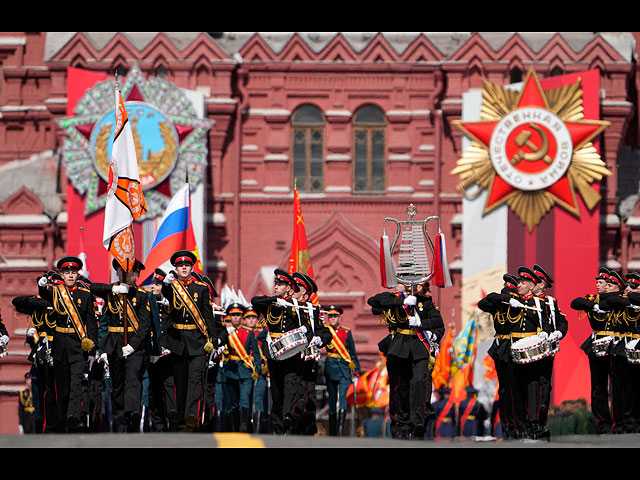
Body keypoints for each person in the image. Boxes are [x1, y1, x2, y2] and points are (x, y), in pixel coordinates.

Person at [367, 280, 444, 440]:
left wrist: (421, 324)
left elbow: (438, 322)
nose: (399, 285)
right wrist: (402, 300)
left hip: (418, 348)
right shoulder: (392, 300)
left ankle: (417, 422)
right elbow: (373, 301)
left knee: (418, 384)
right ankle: (401, 424)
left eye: (403, 283)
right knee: (399, 388)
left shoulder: (425, 302)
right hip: (399, 348)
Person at [161, 250, 225, 432]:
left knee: (194, 380)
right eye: (181, 265)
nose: (184, 268)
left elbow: (207, 317)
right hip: (177, 340)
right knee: (178, 380)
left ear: (191, 268)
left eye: (187, 265)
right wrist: (165, 285)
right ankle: (176, 415)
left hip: (197, 341)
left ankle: (191, 416)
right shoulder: (172, 287)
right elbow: (167, 296)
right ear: (176, 268)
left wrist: (213, 340)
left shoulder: (201, 289)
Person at [89, 258, 151, 432]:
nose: (130, 276)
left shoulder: (141, 296)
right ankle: (120, 418)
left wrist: (133, 345)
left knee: (132, 378)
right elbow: (91, 288)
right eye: (124, 272)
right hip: (114, 344)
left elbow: (145, 325)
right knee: (116, 384)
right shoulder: (111, 293)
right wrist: (113, 288)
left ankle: (133, 413)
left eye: (133, 273)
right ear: (117, 273)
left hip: (134, 345)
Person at [37, 256, 98, 433]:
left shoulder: (85, 294)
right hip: (60, 345)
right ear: (61, 275)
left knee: (76, 383)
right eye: (67, 273)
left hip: (78, 345)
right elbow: (44, 295)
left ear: (78, 274)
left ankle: (73, 417)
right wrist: (41, 285)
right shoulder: (56, 292)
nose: (70, 276)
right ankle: (63, 420)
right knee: (62, 388)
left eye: (73, 272)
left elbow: (91, 322)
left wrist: (92, 346)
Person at [252, 268, 312, 434]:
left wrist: (305, 332)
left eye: (281, 284)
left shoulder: (297, 307)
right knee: (277, 391)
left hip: (291, 352)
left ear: (289, 288)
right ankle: (278, 426)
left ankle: (288, 417)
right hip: (273, 352)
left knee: (290, 385)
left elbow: (308, 327)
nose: (276, 286)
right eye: (276, 283)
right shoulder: (270, 304)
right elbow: (254, 300)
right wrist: (275, 300)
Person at [506, 266, 551, 440]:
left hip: (532, 352)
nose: (520, 284)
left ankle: (533, 424)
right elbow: (487, 301)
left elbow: (545, 322)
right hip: (514, 351)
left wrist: (545, 332)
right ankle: (521, 425)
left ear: (532, 286)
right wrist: (507, 299)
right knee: (516, 389)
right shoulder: (511, 299)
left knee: (533, 387)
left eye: (524, 282)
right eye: (519, 282)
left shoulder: (539, 303)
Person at [571, 267, 615, 434]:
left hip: (614, 344)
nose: (597, 285)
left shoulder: (618, 300)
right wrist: (594, 305)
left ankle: (619, 422)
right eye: (597, 282)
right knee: (598, 387)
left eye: (601, 282)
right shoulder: (592, 299)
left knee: (617, 387)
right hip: (597, 344)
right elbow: (575, 302)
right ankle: (602, 423)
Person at [479, 273, 521, 439]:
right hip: (500, 348)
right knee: (504, 389)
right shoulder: (500, 303)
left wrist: (510, 300)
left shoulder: (519, 303)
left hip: (514, 346)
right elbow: (485, 301)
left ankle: (516, 424)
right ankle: (507, 425)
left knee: (515, 389)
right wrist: (504, 299)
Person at [12, 280, 57, 433]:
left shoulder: (59, 305)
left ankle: (52, 423)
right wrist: (33, 300)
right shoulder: (37, 307)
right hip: (39, 356)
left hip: (55, 352)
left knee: (53, 391)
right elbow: (16, 302)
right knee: (38, 389)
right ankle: (40, 421)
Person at [291, 272, 331, 435]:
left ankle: (307, 426)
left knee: (309, 393)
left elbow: (325, 332)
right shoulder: (286, 308)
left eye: (297, 288)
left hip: (308, 360)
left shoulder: (311, 311)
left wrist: (319, 339)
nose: (292, 290)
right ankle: (291, 425)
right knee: (293, 393)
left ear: (305, 294)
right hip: (291, 359)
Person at [532, 263, 568, 440]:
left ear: (542, 285)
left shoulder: (550, 303)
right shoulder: (525, 301)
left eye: (537, 282)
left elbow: (561, 321)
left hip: (546, 350)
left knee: (544, 385)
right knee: (528, 386)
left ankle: (541, 421)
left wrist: (558, 332)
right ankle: (529, 423)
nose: (533, 284)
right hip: (527, 350)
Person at [599, 269, 634, 433]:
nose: (629, 289)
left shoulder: (628, 299)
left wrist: (626, 297)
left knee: (632, 388)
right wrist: (625, 298)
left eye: (633, 287)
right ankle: (619, 423)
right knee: (617, 387)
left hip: (634, 347)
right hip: (619, 347)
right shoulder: (616, 299)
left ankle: (631, 421)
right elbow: (605, 301)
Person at [323, 304, 361, 436]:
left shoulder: (346, 332)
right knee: (332, 398)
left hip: (344, 368)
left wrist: (356, 371)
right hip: (330, 366)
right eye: (330, 316)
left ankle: (340, 429)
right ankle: (333, 430)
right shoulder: (325, 331)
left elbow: (353, 353)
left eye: (335, 316)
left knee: (342, 397)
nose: (332, 318)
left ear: (340, 318)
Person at [145, 268, 176, 432]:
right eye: (153, 284)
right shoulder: (149, 303)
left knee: (169, 385)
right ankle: (157, 422)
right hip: (153, 351)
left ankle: (172, 416)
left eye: (157, 284)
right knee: (154, 387)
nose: (154, 287)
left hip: (169, 351)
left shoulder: (170, 303)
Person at [223, 302, 261, 432]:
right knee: (234, 403)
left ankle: (244, 427)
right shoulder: (225, 333)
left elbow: (255, 352)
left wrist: (258, 369)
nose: (235, 318)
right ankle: (235, 428)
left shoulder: (248, 333)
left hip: (245, 370)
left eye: (238, 315)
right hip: (231, 370)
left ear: (242, 317)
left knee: (245, 400)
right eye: (233, 315)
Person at [244, 307, 270, 433]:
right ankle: (246, 428)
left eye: (253, 318)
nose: (251, 320)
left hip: (261, 369)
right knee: (246, 398)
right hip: (246, 367)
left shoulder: (261, 333)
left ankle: (258, 430)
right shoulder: (241, 333)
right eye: (248, 318)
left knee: (259, 398)